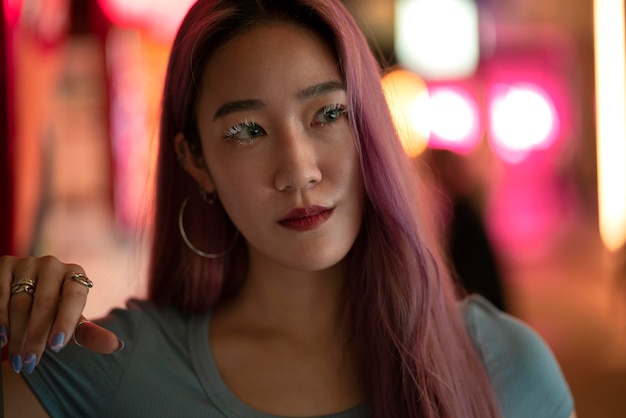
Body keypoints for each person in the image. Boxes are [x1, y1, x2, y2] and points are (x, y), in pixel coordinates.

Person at [1, 1, 575, 417]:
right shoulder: (107, 373)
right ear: (195, 161)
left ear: (371, 125)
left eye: (328, 114)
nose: (298, 170)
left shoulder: (506, 367)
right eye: (247, 130)